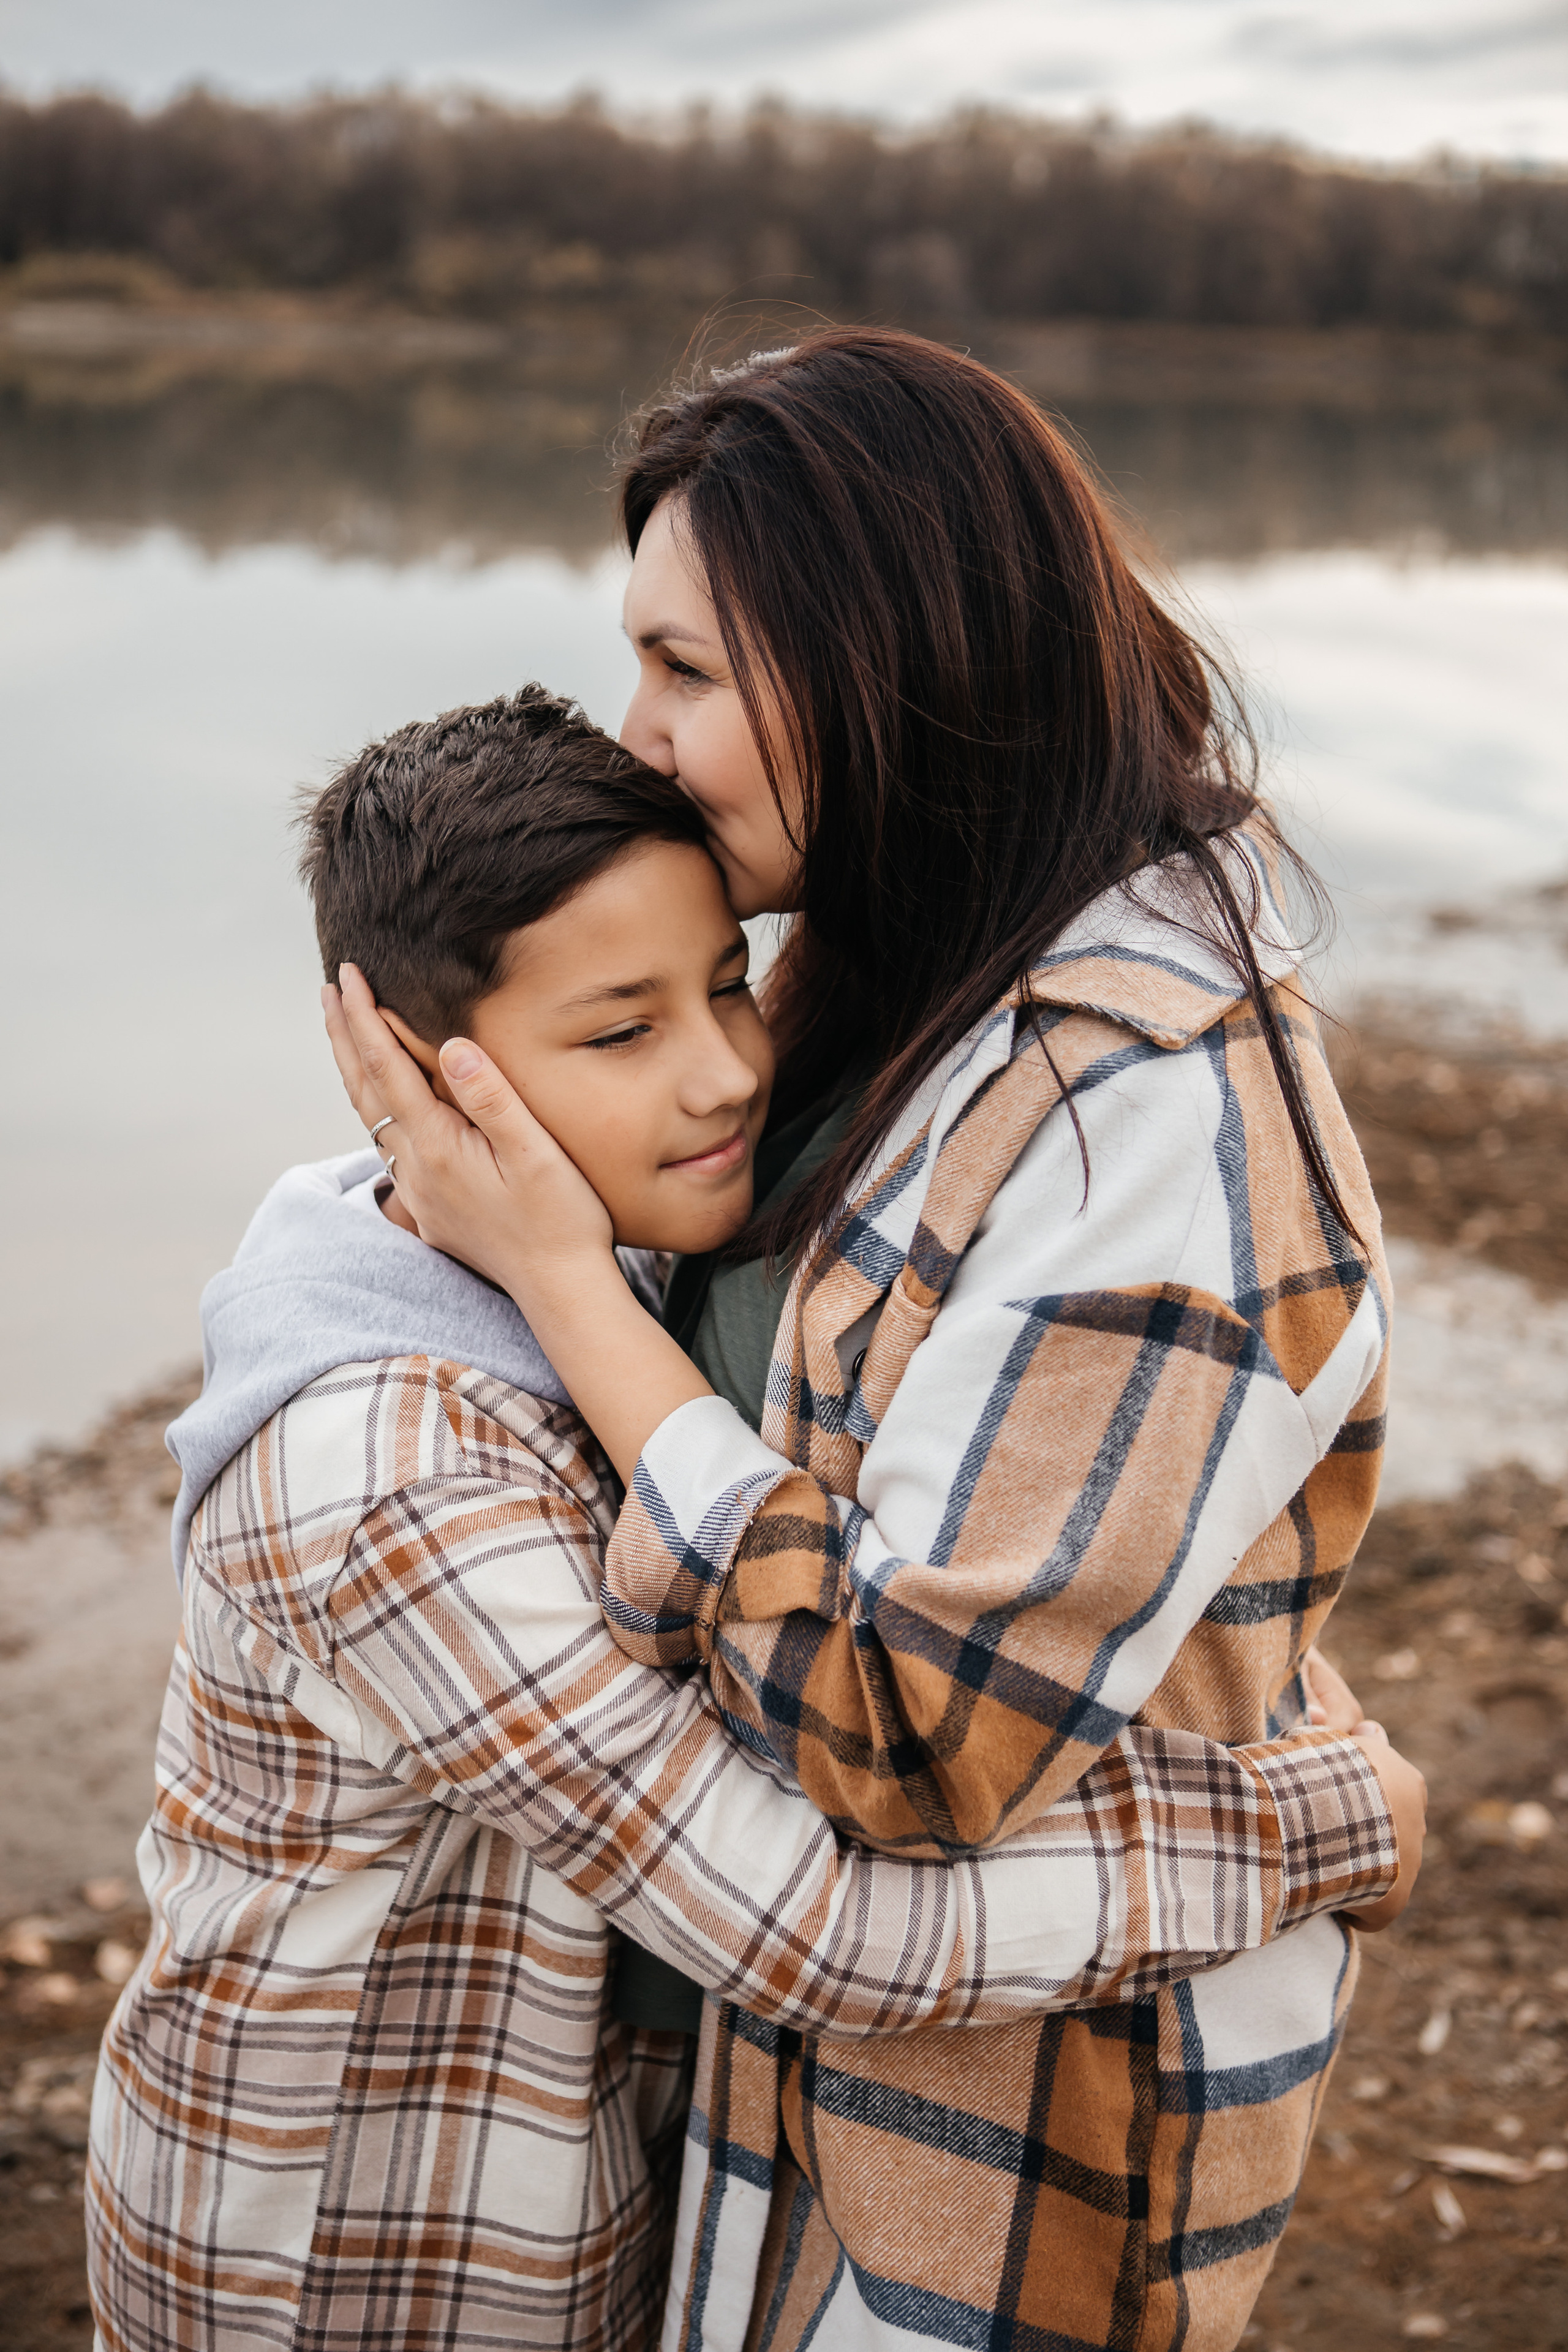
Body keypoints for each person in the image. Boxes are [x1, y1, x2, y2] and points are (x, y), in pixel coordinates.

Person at [325, 331, 1426, 2352]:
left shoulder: (1149, 1109)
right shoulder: (892, 949)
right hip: (775, 2086)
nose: (633, 734)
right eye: (634, 656)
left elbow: (907, 1737)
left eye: (691, 671)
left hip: (1004, 2146)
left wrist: (565, 1286)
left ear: (893, 659)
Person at [86, 688, 1405, 2352]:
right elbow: (811, 1928)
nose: (724, 1074)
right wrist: (1303, 1833)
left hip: (567, 2200)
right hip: (348, 2259)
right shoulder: (391, 1482)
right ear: (423, 1081)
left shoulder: (598, 1275)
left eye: (728, 984)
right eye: (622, 1031)